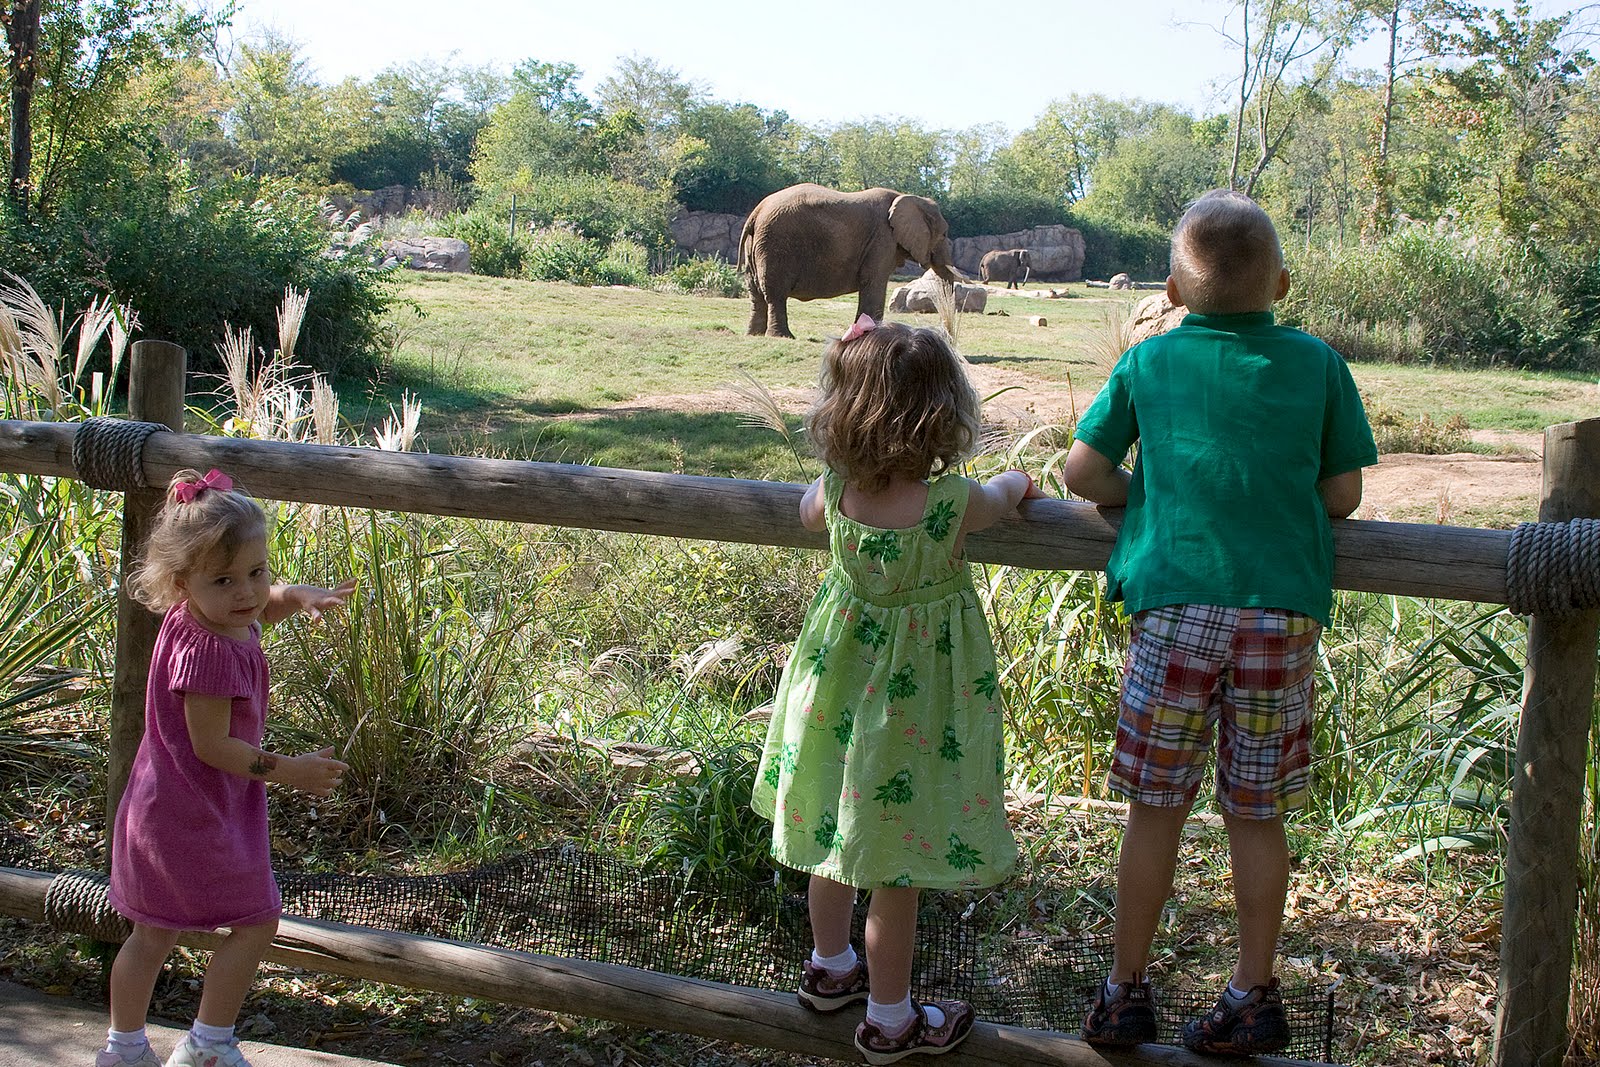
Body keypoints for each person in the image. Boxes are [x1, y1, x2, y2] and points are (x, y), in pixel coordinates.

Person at [1063, 189, 1377, 1056]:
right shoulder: (1318, 363)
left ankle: (1125, 991)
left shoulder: (1148, 363)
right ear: (1281, 280)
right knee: (1256, 812)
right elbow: (1344, 494)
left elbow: (1082, 472)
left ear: (1169, 288)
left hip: (1174, 611)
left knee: (1154, 809)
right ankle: (1252, 992)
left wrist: (1150, 492)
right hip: (1280, 615)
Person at [752, 315, 1042, 1066]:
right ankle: (888, 1017)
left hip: (836, 690)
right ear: (939, 412)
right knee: (893, 864)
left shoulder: (836, 492)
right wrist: (1021, 481)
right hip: (913, 711)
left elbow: (802, 511)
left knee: (832, 843)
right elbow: (1005, 498)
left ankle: (829, 968)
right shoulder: (950, 506)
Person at [99, 469, 355, 1067]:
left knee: (153, 933)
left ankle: (124, 1051)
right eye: (226, 578)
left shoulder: (201, 616)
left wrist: (298, 595)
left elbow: (256, 605)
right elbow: (212, 745)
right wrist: (288, 769)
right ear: (182, 580)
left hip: (164, 804)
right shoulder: (210, 649)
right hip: (196, 811)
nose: (247, 591)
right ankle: (207, 1046)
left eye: (257, 571)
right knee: (255, 921)